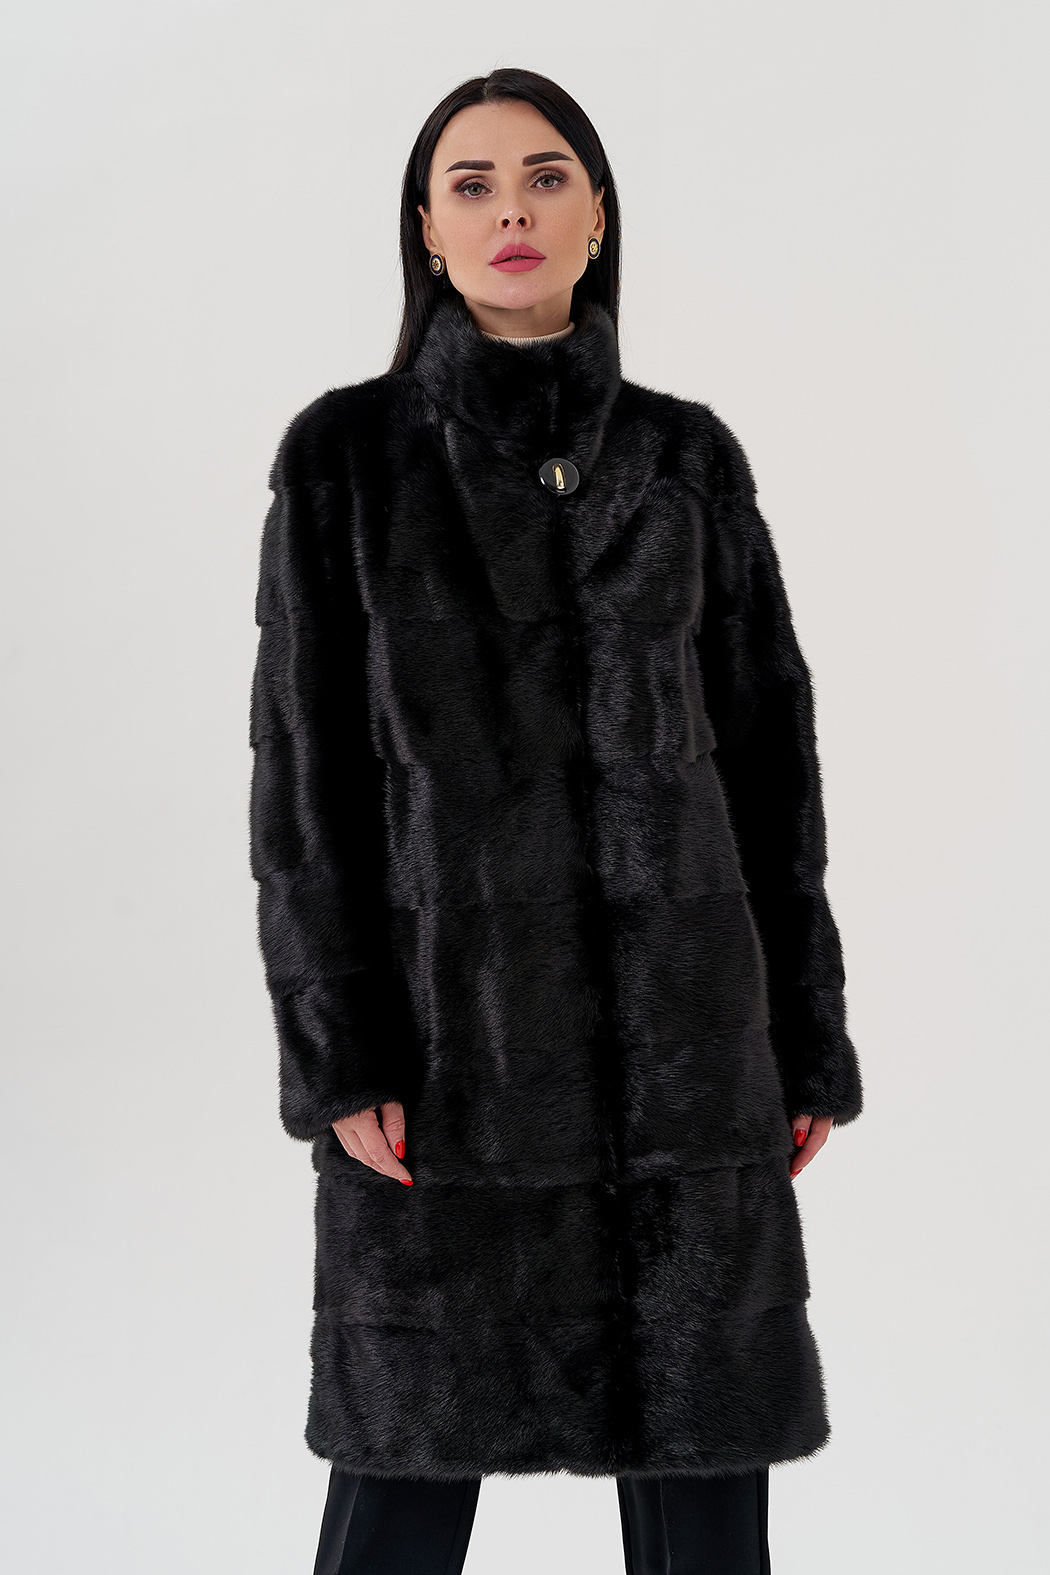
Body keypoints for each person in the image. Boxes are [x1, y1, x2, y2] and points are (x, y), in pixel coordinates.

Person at [249, 66, 863, 1575]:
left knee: (705, 1500)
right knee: (401, 1488)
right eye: (471, 185)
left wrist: (800, 1039)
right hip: (447, 1066)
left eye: (545, 177)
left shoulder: (687, 459)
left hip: (687, 1072)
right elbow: (305, 787)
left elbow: (771, 770)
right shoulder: (345, 461)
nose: (510, 209)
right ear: (426, 229)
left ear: (597, 218)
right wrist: (340, 1056)